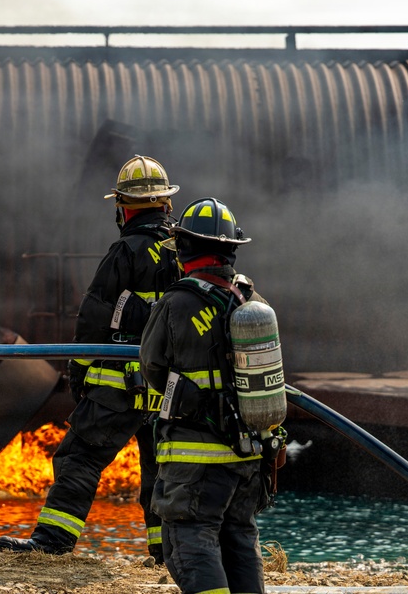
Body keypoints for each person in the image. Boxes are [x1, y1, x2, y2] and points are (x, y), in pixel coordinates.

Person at [0, 155, 180, 563]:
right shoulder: (186, 251)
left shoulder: (125, 251)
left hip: (120, 384)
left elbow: (95, 315)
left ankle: (53, 542)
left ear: (124, 207)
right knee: (159, 466)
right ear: (165, 203)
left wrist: (78, 371)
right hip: (169, 388)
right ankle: (165, 550)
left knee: (80, 455)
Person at [139, 197, 285, 594]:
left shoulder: (177, 302)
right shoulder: (254, 302)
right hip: (249, 456)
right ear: (232, 250)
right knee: (239, 539)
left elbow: (151, 367)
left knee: (188, 541)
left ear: (184, 249)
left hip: (195, 457)